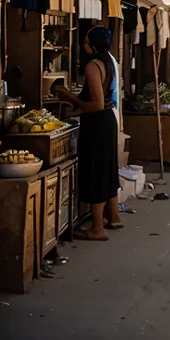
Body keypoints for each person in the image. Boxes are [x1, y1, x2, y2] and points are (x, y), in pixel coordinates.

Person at [54, 27, 121, 240]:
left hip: (98, 123)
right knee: (108, 168)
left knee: (97, 171)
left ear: (93, 45)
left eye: (85, 42)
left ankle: (97, 228)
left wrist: (68, 97)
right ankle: (114, 217)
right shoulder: (109, 61)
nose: (83, 46)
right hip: (108, 120)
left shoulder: (93, 65)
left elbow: (96, 104)